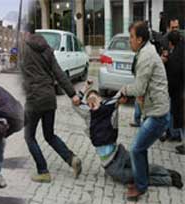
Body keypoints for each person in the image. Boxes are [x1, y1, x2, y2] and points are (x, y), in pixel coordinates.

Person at [72, 80, 183, 189]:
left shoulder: (110, 108)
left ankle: (166, 172)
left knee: (142, 168)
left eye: (94, 98)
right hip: (111, 166)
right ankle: (168, 180)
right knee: (136, 176)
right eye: (89, 101)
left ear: (101, 100)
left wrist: (130, 92)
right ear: (87, 105)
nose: (92, 101)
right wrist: (85, 86)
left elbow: (121, 92)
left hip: (120, 154)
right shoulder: (88, 115)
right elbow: (75, 103)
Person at [21, 26, 82, 183]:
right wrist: (72, 94)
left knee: (29, 136)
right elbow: (59, 73)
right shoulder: (47, 48)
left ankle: (43, 171)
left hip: (34, 100)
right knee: (49, 135)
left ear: (26, 33)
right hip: (49, 97)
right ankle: (72, 159)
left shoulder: (24, 49)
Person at [120, 21, 170, 200]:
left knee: (135, 148)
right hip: (155, 110)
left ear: (140, 39)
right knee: (141, 148)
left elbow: (139, 88)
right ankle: (142, 179)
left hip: (158, 114)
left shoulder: (146, 56)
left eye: (131, 38)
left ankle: (141, 186)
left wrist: (124, 91)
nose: (129, 41)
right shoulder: (145, 51)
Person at [162, 31, 184, 149]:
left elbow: (173, 73)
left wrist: (166, 60)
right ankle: (173, 133)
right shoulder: (180, 50)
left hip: (177, 91)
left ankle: (174, 134)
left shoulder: (174, 57)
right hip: (178, 91)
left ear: (170, 43)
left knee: (175, 113)